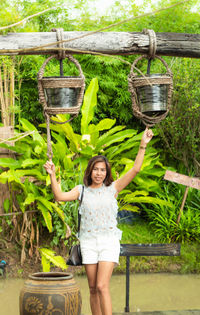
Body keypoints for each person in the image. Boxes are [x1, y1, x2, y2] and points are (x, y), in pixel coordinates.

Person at [44, 127, 153, 315]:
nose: (99, 173)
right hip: (88, 243)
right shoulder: (81, 190)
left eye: (103, 170)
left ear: (107, 172)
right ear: (90, 171)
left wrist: (142, 145)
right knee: (93, 288)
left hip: (108, 241)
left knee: (102, 286)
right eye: (96, 169)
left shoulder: (113, 188)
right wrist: (52, 175)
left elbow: (135, 169)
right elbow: (59, 196)